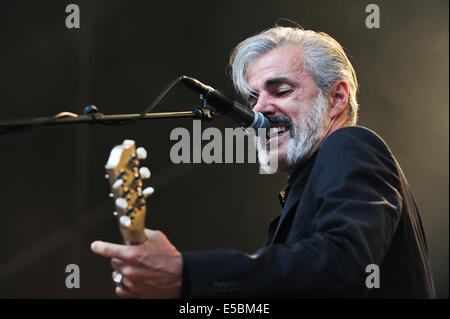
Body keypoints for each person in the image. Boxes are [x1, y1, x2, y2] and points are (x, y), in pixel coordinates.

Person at [90, 26, 436, 298]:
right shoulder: (301, 191)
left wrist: (188, 273)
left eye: (280, 91)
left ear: (336, 98)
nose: (258, 110)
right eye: (253, 97)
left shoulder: (351, 144)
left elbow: (341, 267)